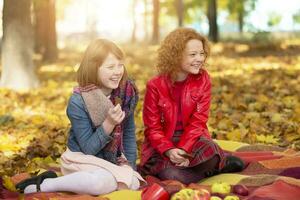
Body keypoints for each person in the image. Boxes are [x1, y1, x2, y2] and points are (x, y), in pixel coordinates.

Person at [16, 39, 145, 195]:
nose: (118, 72)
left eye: (120, 65)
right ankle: (46, 185)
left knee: (132, 182)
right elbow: (88, 149)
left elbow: (129, 135)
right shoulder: (78, 101)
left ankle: (100, 178)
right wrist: (109, 123)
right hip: (80, 157)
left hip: (112, 159)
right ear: (93, 68)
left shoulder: (126, 95)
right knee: (100, 183)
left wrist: (129, 167)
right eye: (111, 67)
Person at [140, 28, 244, 184]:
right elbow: (152, 128)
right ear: (175, 56)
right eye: (193, 54)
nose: (199, 59)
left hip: (192, 137)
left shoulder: (203, 79)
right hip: (164, 141)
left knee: (211, 150)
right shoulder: (155, 85)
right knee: (172, 175)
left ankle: (208, 164)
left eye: (202, 53)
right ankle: (212, 169)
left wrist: (184, 149)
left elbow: (198, 121)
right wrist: (169, 151)